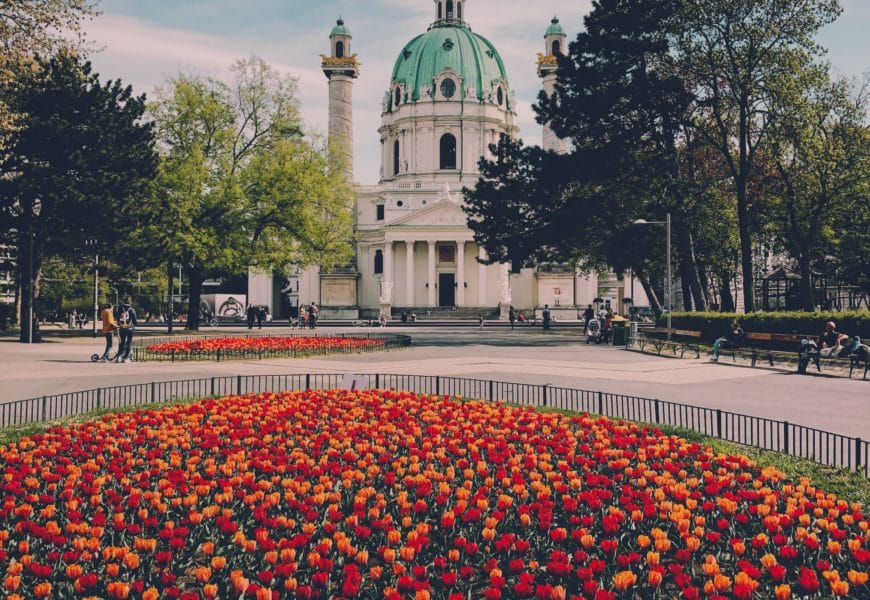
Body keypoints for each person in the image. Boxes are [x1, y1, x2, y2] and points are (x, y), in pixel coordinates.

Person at [115, 297, 138, 363]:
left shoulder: (120, 309)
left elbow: (117, 318)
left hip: (122, 328)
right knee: (129, 343)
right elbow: (135, 321)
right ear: (130, 302)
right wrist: (134, 325)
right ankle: (126, 358)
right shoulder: (132, 310)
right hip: (129, 328)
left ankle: (119, 357)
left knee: (122, 342)